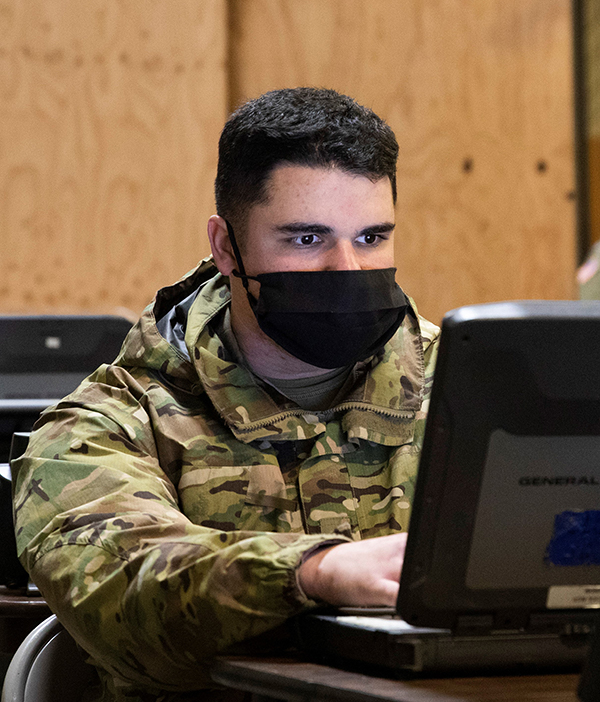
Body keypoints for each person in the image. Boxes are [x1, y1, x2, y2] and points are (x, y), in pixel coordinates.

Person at [13, 87, 439, 701]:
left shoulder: (468, 390)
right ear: (224, 247)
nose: (346, 269)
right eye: (306, 239)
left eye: (371, 238)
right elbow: (123, 597)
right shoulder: (107, 424)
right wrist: (313, 573)